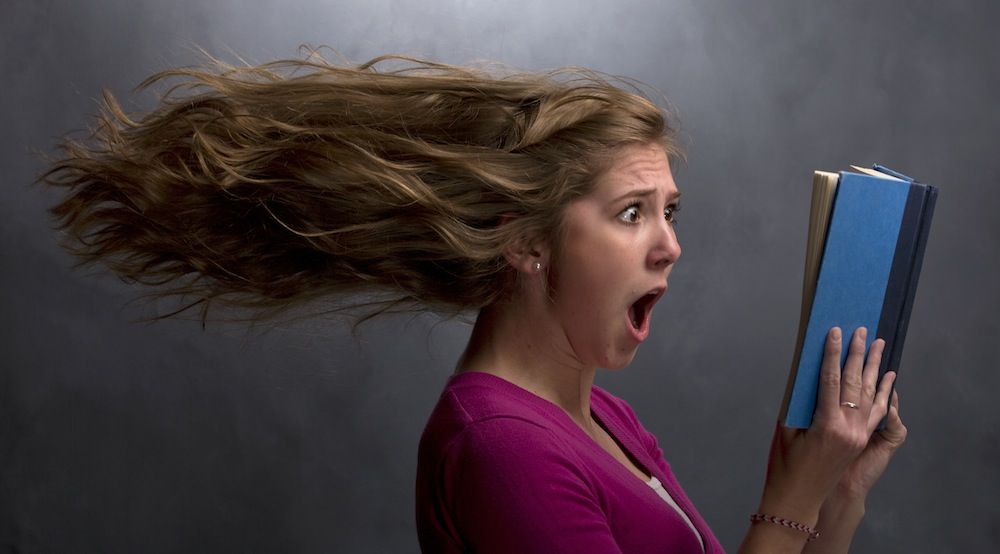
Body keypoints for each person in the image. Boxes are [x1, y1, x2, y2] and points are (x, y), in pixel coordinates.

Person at [40, 50, 907, 553]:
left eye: (671, 212)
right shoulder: (501, 452)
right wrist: (787, 498)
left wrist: (832, 499)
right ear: (525, 241)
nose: (670, 243)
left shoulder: (605, 423)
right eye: (631, 212)